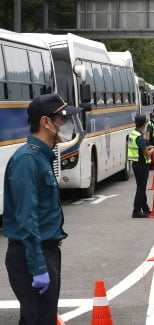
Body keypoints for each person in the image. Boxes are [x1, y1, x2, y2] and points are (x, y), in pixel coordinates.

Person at [3, 93, 82, 324]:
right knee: (38, 319)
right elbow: (27, 218)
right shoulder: (28, 160)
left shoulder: (42, 157)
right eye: (62, 119)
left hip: (45, 251)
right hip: (31, 254)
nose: (66, 125)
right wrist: (37, 266)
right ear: (45, 122)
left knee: (39, 318)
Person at [128, 114, 154, 218]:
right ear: (144, 123)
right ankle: (136, 211)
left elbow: (140, 148)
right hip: (142, 164)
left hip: (135, 163)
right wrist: (153, 150)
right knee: (141, 188)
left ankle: (145, 208)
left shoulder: (133, 134)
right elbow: (147, 154)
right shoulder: (140, 137)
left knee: (141, 187)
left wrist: (148, 147)